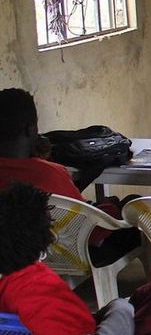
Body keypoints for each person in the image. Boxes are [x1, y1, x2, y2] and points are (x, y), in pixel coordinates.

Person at [0, 182, 151, 335]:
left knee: (148, 294)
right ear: (44, 236)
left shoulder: (14, 284)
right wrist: (120, 309)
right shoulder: (37, 293)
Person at [0, 88, 140, 266]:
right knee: (134, 207)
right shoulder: (49, 173)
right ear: (31, 129)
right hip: (75, 253)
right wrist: (112, 208)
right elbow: (85, 226)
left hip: (14, 254)